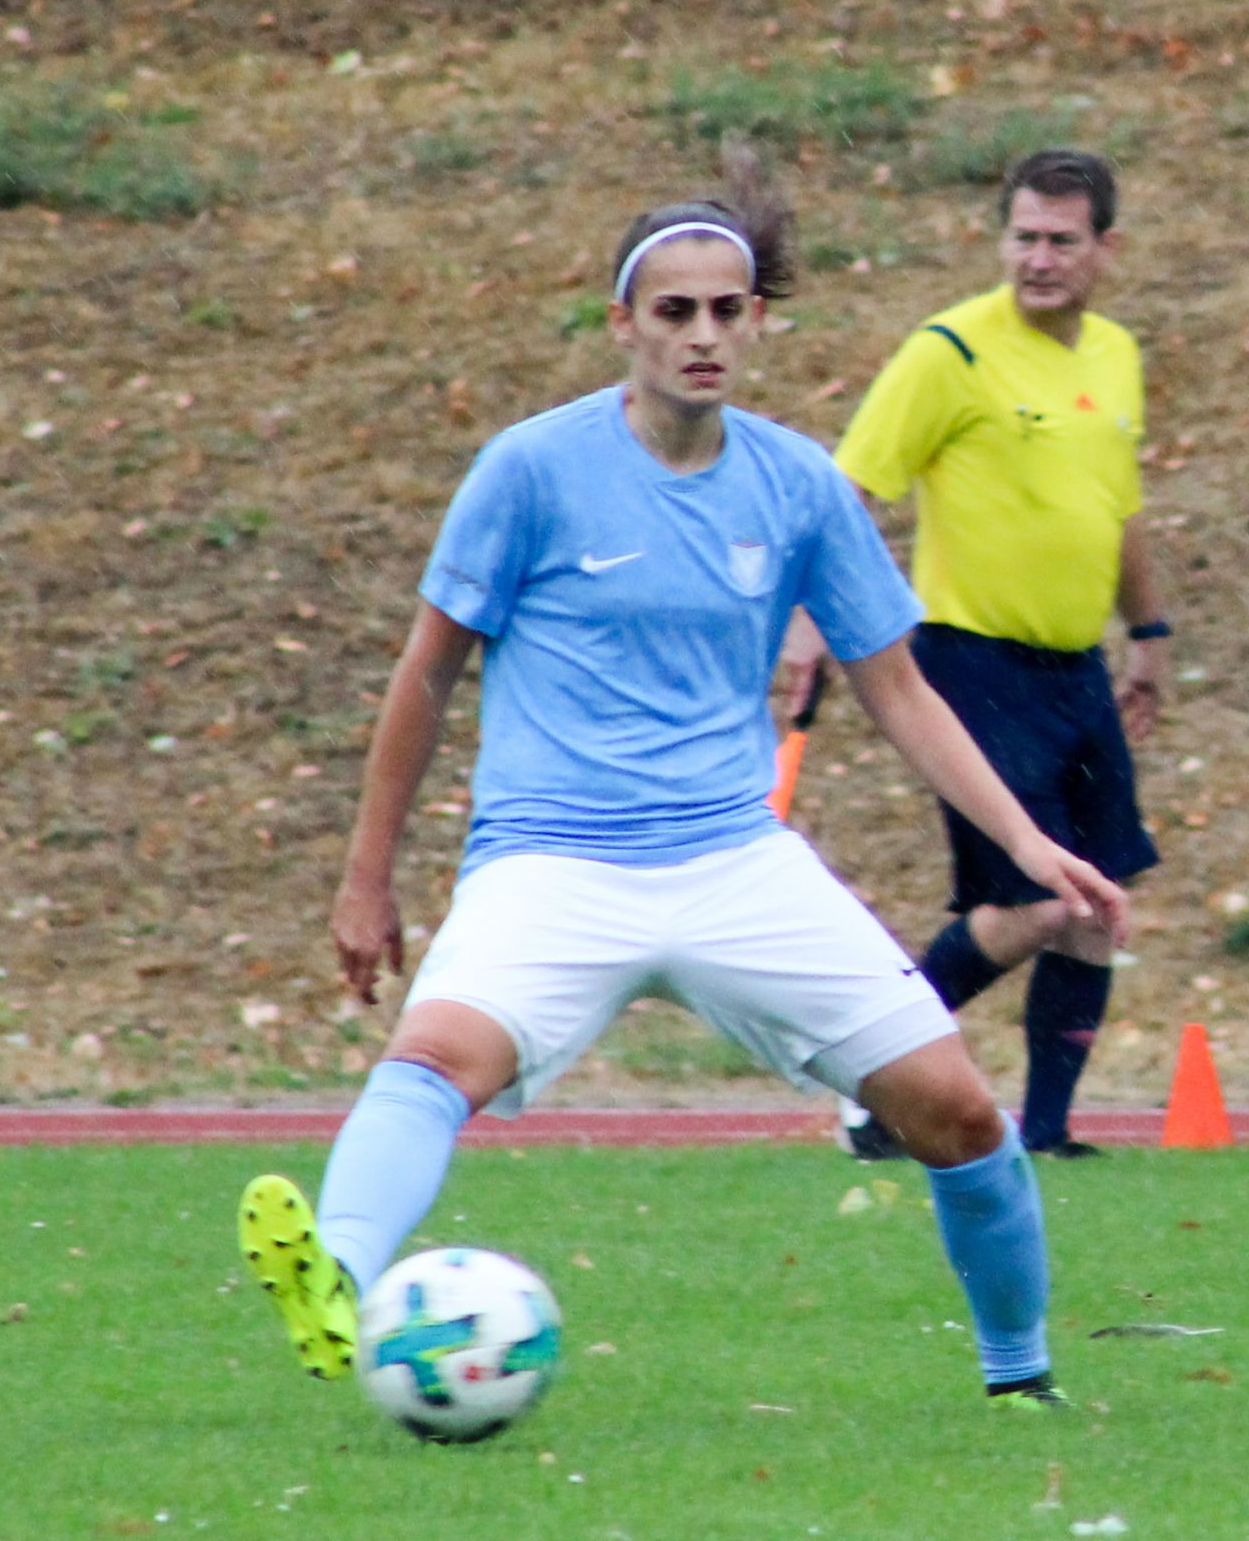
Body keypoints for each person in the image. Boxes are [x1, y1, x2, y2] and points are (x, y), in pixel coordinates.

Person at [237, 145, 1129, 1412]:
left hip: (731, 857)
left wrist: (1033, 847)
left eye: (727, 309)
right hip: (552, 857)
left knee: (963, 1116)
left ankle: (1019, 1380)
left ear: (757, 318)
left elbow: (901, 691)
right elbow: (427, 674)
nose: (704, 334)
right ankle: (334, 1276)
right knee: (436, 1055)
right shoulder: (531, 469)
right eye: (675, 312)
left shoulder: (799, 482)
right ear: (624, 325)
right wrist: (364, 879)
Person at [784, 147, 1165, 1162]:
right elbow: (845, 493)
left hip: (1077, 665)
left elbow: (1117, 507)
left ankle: (1046, 1134)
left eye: (1061, 240)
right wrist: (810, 625)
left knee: (1095, 904)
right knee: (1032, 903)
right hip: (970, 662)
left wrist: (1152, 633)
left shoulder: (1116, 354)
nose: (1038, 258)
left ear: (1104, 248)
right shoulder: (949, 349)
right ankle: (875, 1083)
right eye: (1024, 237)